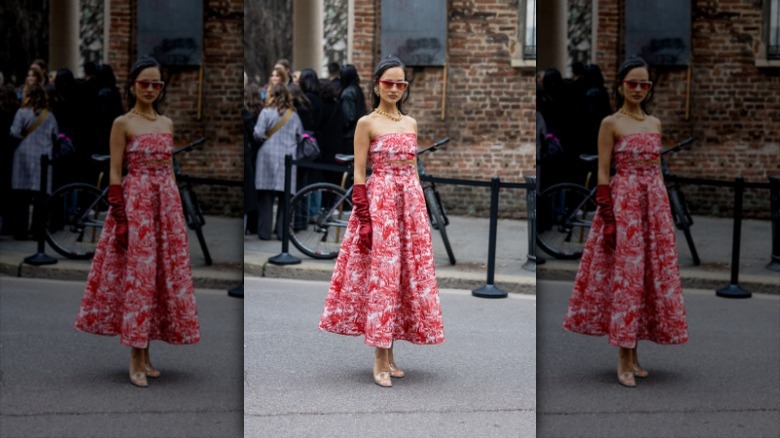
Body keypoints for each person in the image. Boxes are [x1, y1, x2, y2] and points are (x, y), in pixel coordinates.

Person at [319, 55, 444, 388]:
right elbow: (359, 173)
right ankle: (378, 358)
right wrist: (364, 216)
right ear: (376, 85)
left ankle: (390, 356)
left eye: (400, 83)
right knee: (383, 280)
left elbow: (414, 170)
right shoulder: (367, 123)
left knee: (403, 279)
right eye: (388, 82)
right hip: (381, 203)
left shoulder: (411, 123)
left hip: (409, 205)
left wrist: (421, 213)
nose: (394, 88)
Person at [562, 57, 688, 388]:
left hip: (653, 206)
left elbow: (658, 170)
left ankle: (634, 356)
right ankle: (622, 358)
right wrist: (608, 216)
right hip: (625, 203)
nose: (637, 89)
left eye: (644, 84)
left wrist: (663, 213)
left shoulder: (655, 124)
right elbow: (603, 172)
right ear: (620, 86)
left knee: (647, 279)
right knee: (627, 279)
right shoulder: (610, 123)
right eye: (632, 83)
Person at [75, 57, 200, 388]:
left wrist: (176, 214)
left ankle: (146, 355)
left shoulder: (167, 124)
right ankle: (134, 357)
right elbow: (115, 172)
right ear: (132, 86)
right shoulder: (122, 123)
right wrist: (119, 216)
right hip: (137, 204)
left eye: (156, 84)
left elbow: (170, 171)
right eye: (144, 83)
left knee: (159, 279)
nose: (149, 89)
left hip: (165, 206)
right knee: (139, 280)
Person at [253, 83, 302, 240]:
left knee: (265, 197)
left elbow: (258, 133)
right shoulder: (294, 115)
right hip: (287, 158)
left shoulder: (266, 112)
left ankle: (264, 232)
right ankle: (282, 232)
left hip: (267, 156)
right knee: (285, 197)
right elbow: (300, 136)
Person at [8, 83, 57, 240]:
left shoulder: (22, 113)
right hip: (43, 158)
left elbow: (14, 132)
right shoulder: (49, 115)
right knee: (40, 197)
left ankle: (20, 231)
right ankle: (37, 231)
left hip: (23, 156)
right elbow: (55, 135)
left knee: (21, 197)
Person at [243, 82, 263, 235]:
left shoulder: (247, 113)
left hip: (250, 154)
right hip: (254, 154)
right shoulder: (260, 112)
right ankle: (253, 226)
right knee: (253, 192)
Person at [337, 64, 366, 155]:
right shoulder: (357, 90)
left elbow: (349, 117)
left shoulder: (347, 93)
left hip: (349, 136)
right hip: (357, 133)